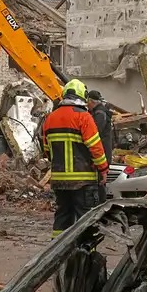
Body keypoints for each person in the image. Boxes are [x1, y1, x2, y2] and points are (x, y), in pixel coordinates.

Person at [41, 78, 110, 237]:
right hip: (83, 181)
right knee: (86, 220)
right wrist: (103, 169)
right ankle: (85, 256)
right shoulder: (84, 117)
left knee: (62, 217)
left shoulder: (50, 118)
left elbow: (47, 150)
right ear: (83, 96)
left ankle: (56, 254)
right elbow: (96, 148)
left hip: (59, 181)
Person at [85, 90, 115, 165]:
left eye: (87, 102)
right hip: (102, 152)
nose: (87, 105)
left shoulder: (100, 114)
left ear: (92, 101)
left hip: (102, 153)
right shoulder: (98, 112)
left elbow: (95, 132)